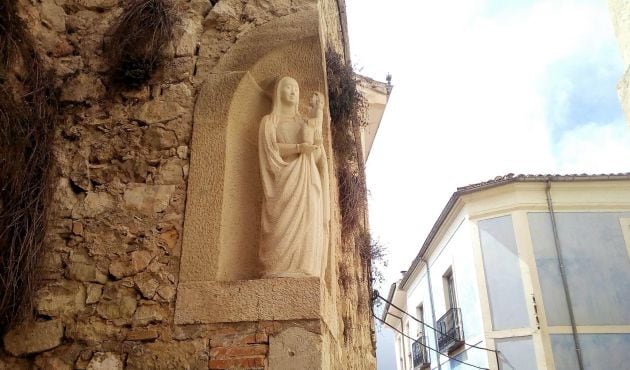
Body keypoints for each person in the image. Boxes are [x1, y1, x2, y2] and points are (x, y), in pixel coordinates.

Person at [258, 77, 330, 278]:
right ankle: (277, 269)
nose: (293, 92)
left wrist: (315, 143)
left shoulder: (304, 122)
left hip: (308, 180)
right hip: (284, 180)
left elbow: (316, 157)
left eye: (296, 89)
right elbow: (270, 151)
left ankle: (305, 269)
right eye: (288, 87)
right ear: (279, 92)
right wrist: (298, 148)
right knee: (281, 226)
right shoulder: (270, 122)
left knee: (308, 222)